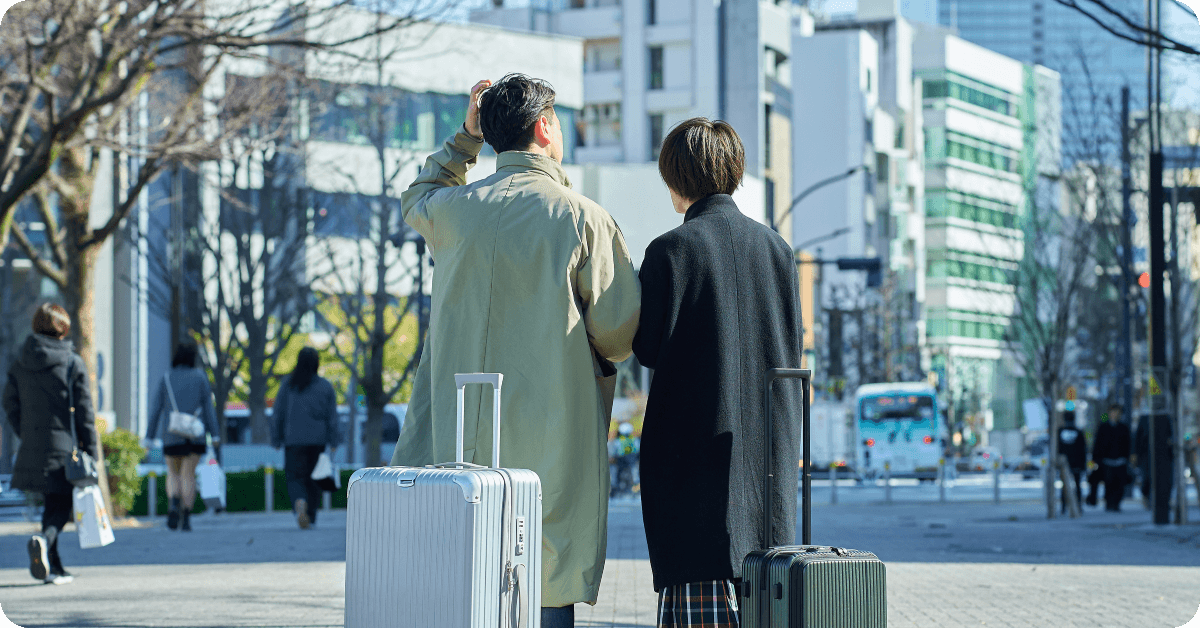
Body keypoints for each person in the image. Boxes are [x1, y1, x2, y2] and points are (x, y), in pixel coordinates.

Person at [394, 73, 641, 627]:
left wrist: (464, 140)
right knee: (545, 581)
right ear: (546, 125)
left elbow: (416, 195)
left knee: (464, 586)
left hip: (458, 444)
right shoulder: (583, 218)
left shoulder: (453, 211)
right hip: (550, 438)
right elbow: (619, 331)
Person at [632, 118, 804, 628]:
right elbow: (790, 350)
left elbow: (644, 348)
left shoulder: (670, 252)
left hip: (694, 468)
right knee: (768, 606)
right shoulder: (778, 250)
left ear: (675, 179)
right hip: (770, 465)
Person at [3, 303, 96, 584]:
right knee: (62, 504)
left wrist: (25, 431)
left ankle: (52, 566)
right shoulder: (71, 362)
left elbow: (9, 403)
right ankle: (44, 542)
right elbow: (85, 411)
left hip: (32, 444)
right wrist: (90, 449)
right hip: (65, 446)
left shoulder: (20, 361)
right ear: (63, 327)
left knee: (51, 504)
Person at [146, 342, 219, 532]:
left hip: (172, 434)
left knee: (173, 473)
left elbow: (155, 410)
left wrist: (149, 436)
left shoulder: (166, 378)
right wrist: (215, 434)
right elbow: (209, 409)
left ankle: (173, 506)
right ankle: (186, 517)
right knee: (188, 475)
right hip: (195, 435)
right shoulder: (200, 378)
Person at [271, 347, 339, 530]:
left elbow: (278, 413)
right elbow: (332, 417)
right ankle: (311, 516)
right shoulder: (325, 386)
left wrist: (276, 438)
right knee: (314, 479)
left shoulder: (288, 385)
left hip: (293, 440)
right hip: (318, 441)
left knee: (294, 477)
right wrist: (334, 441)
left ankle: (299, 503)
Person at [1090, 405, 1131, 512]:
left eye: (1118, 412)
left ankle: (1116, 503)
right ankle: (1109, 503)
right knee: (1109, 483)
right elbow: (1097, 444)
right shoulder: (1103, 427)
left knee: (1119, 484)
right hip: (1106, 461)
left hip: (1120, 461)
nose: (1115, 414)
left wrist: (1128, 458)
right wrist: (1095, 460)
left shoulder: (1124, 428)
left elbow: (1128, 444)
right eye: (1113, 412)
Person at [1057, 410, 1087, 514]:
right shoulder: (1078, 432)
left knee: (1064, 486)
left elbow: (1057, 448)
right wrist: (1084, 465)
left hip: (1064, 462)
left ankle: (1064, 507)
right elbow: (1083, 449)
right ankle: (1078, 505)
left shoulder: (1060, 431)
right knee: (1077, 485)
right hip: (1077, 462)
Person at [609, 422, 640, 497]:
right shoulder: (635, 440)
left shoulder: (617, 441)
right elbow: (638, 450)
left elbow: (613, 452)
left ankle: (614, 486)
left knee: (614, 471)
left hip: (621, 462)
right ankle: (635, 484)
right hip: (631, 462)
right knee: (635, 471)